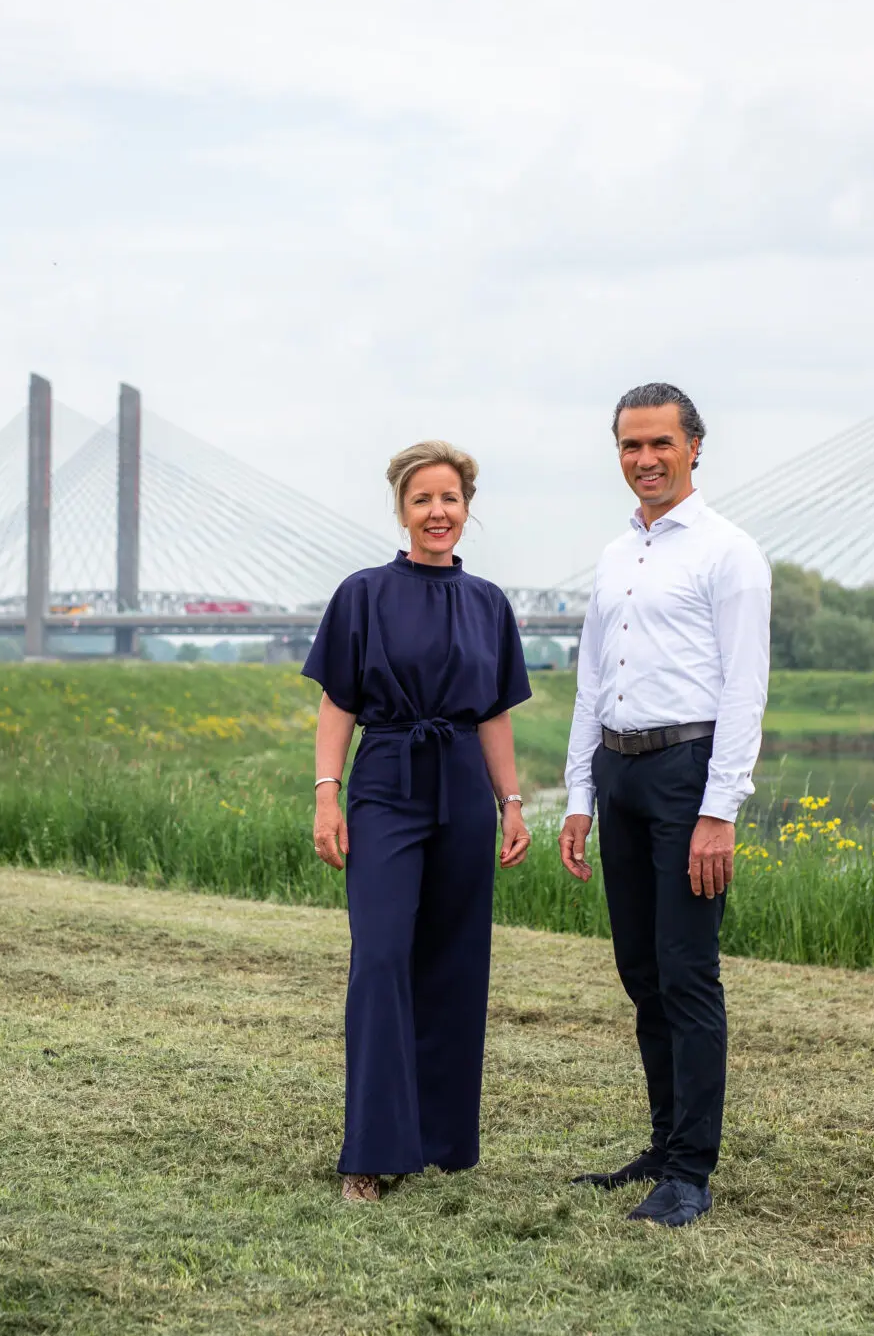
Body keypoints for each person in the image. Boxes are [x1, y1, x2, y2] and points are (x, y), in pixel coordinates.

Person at [558, 383, 771, 1228]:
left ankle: (691, 1172)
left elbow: (746, 691)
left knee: (687, 976)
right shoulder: (616, 556)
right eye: (628, 446)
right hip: (619, 773)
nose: (644, 459)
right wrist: (578, 797)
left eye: (659, 444)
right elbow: (587, 684)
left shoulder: (730, 554)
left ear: (693, 448)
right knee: (640, 974)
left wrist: (719, 809)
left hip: (688, 774)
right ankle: (659, 1145)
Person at [304, 440, 533, 1203]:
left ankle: (437, 1141)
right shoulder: (363, 593)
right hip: (387, 782)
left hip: (465, 785)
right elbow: (338, 702)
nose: (439, 512)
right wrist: (326, 792)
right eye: (423, 499)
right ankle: (369, 1152)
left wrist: (511, 802)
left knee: (455, 963)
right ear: (402, 510)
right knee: (379, 958)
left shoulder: (490, 603)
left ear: (467, 509)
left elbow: (493, 712)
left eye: (451, 499)